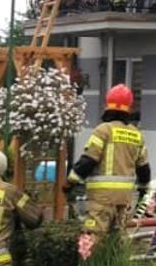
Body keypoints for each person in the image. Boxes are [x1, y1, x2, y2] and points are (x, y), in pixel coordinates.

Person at [64, 84, 149, 238]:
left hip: (102, 198)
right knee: (117, 238)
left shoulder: (103, 130)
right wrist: (144, 191)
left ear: (108, 105)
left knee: (93, 237)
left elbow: (89, 160)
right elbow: (144, 169)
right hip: (124, 198)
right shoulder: (136, 134)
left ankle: (92, 255)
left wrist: (70, 182)